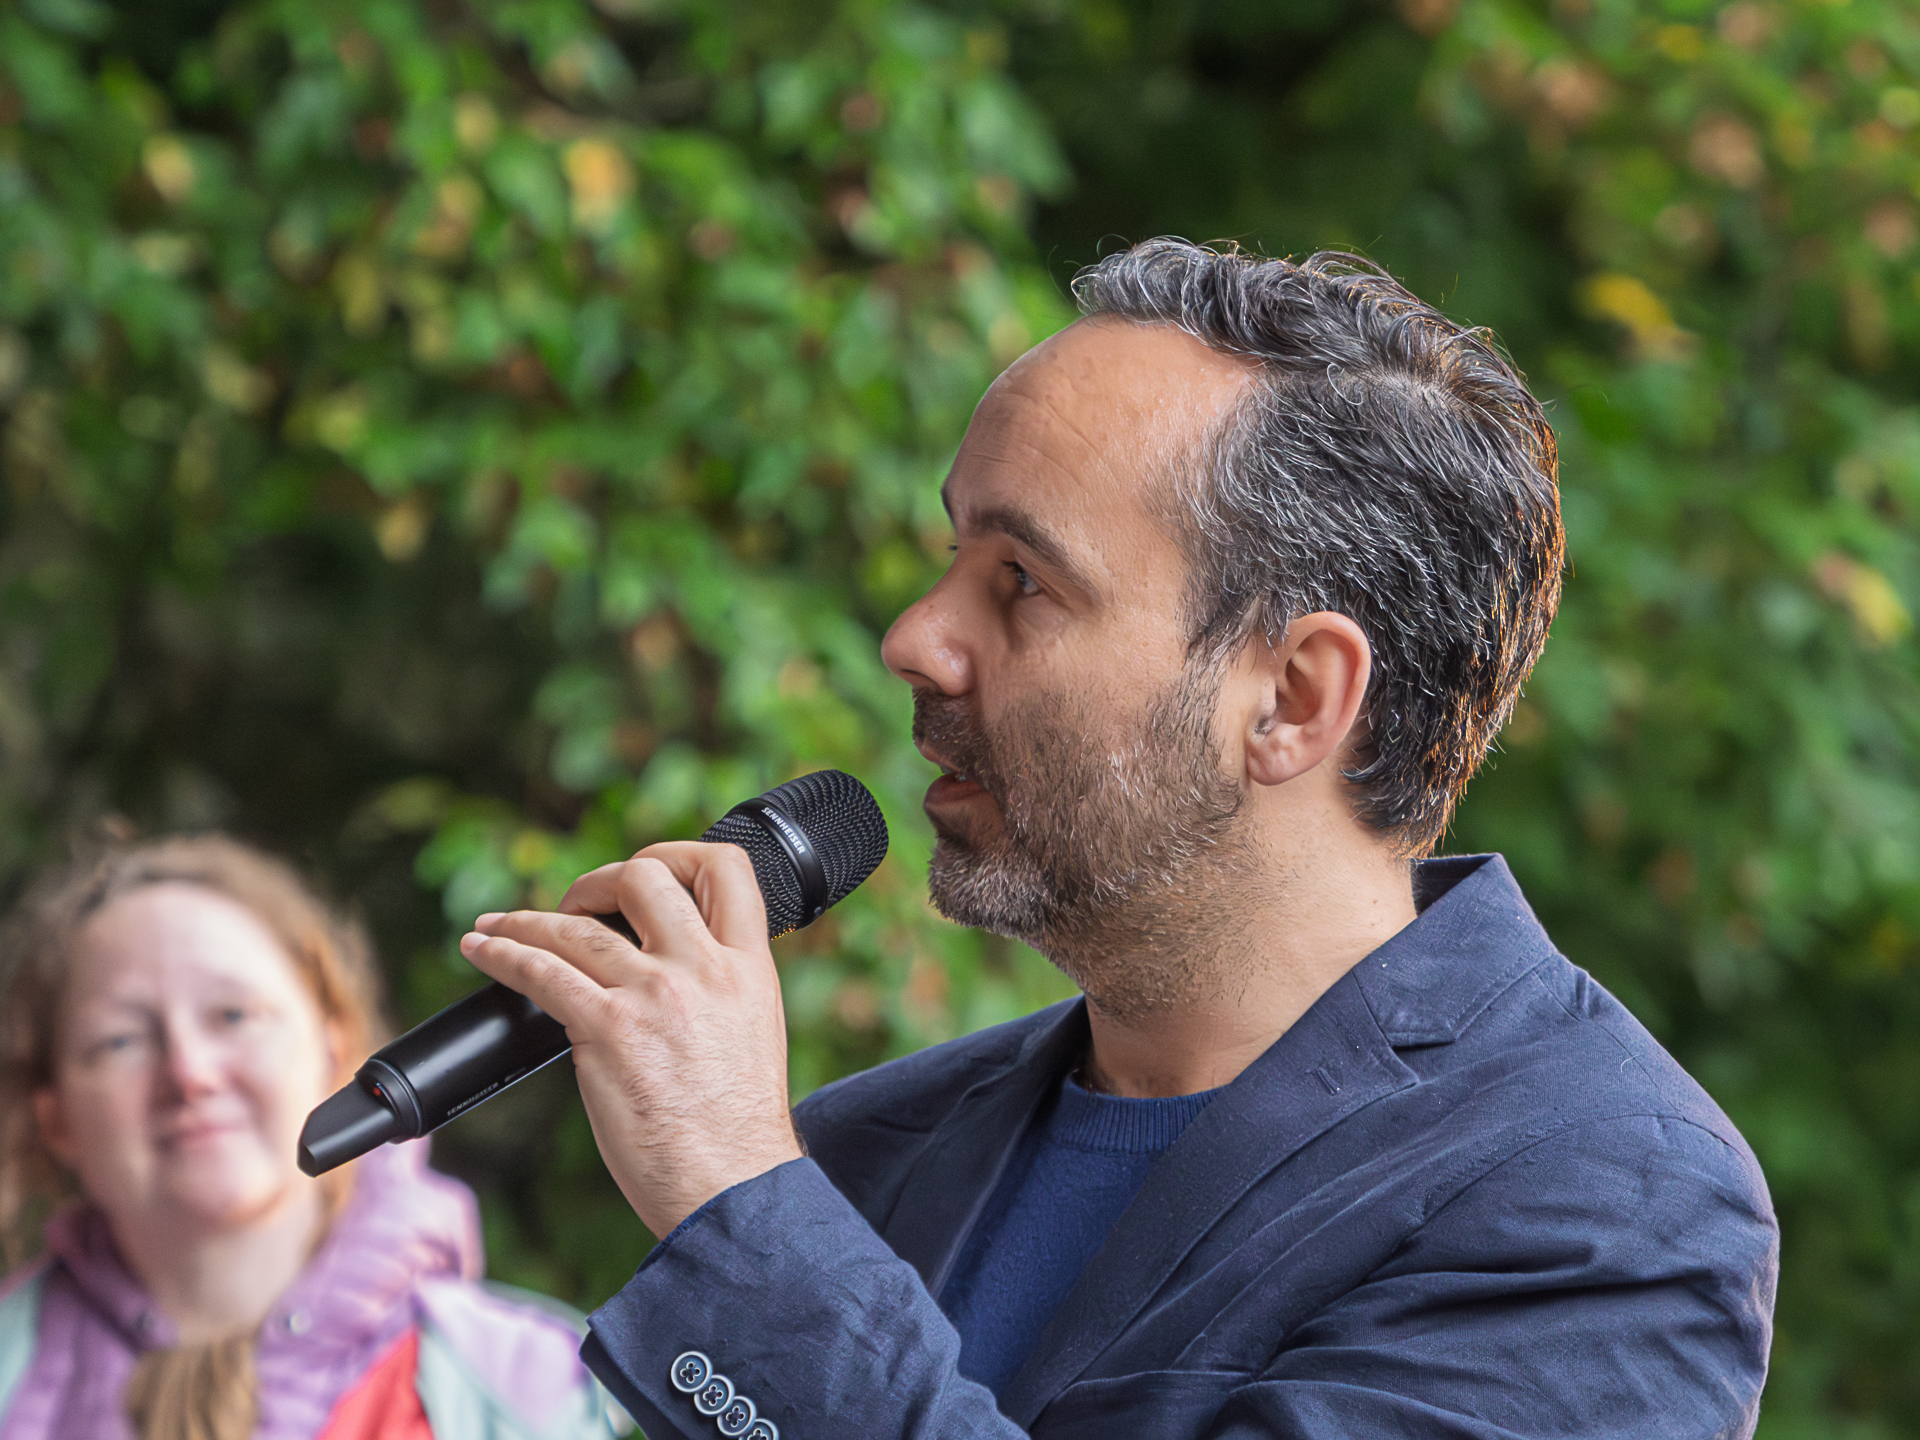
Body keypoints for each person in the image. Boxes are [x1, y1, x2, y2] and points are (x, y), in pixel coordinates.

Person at [461, 240, 1779, 1438]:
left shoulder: (1600, 1202)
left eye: (1022, 581)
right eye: (952, 554)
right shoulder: (867, 1154)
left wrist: (741, 1198)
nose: (915, 639)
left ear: (1292, 699)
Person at [0, 834, 618, 1440]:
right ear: (55, 1119)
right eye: (120, 1041)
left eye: (233, 1015)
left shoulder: (535, 1393)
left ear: (334, 1050)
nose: (190, 1072)